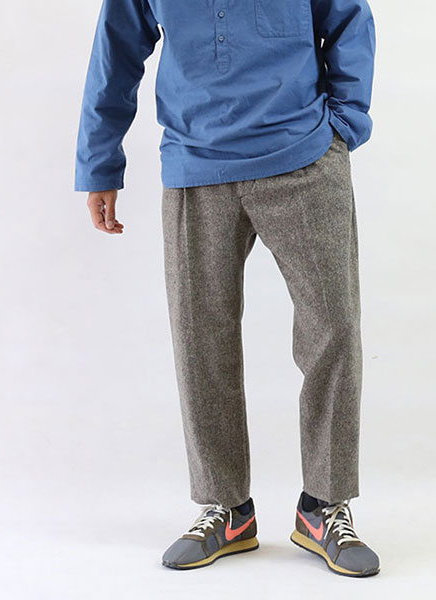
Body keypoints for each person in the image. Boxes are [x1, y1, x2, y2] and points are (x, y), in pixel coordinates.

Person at [75, 0, 379, 577]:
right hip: (195, 163)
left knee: (334, 330)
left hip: (303, 155)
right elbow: (115, 51)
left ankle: (324, 505)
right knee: (200, 340)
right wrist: (99, 165)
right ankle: (226, 508)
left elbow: (348, 21)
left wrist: (344, 124)